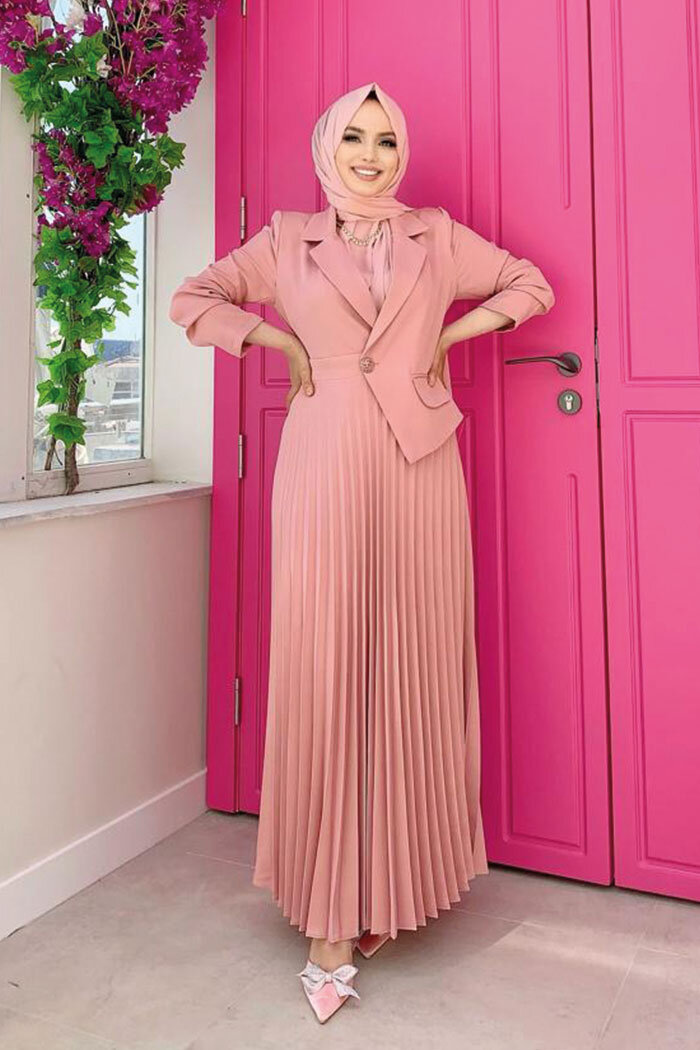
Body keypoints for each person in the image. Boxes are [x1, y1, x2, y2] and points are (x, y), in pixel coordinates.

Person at [169, 81, 555, 1023]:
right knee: (330, 658)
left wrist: (451, 334)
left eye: (385, 140)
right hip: (325, 458)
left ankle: (400, 882)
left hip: (420, 464)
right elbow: (193, 297)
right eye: (354, 137)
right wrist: (272, 338)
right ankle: (330, 915)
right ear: (327, 146)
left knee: (413, 660)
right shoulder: (287, 239)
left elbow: (530, 284)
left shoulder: (437, 235)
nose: (371, 155)